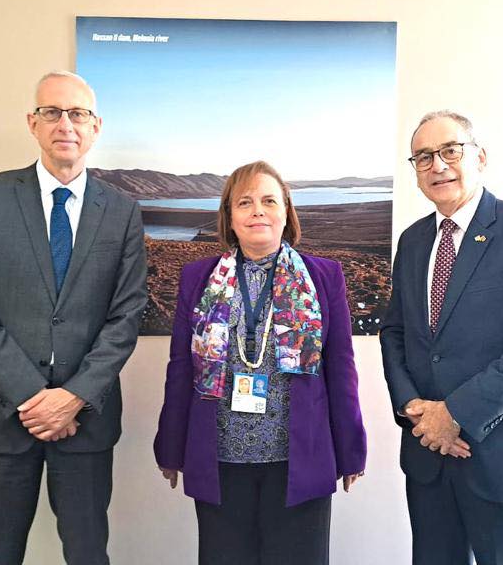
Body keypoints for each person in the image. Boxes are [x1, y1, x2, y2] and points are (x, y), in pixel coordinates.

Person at [0, 71, 147, 565]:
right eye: (52, 112)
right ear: (32, 123)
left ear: (96, 126)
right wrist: (34, 398)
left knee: (87, 554)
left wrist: (72, 398)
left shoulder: (121, 211)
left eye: (77, 113)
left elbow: (126, 316)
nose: (66, 124)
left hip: (86, 421)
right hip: (1, 414)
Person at [154, 160, 367, 565]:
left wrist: (351, 449)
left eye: (269, 201)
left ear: (286, 212)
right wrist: (171, 447)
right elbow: (180, 368)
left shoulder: (324, 276)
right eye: (245, 202)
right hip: (220, 459)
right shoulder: (197, 278)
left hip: (299, 458)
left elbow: (341, 367)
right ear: (229, 217)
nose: (258, 211)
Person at [380, 111, 503, 565]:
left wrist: (456, 414)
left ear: (479, 156)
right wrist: (413, 409)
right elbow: (394, 332)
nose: (437, 165)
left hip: (502, 455)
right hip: (428, 454)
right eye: (423, 157)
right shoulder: (413, 241)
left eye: (450, 150)